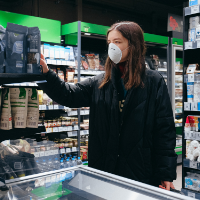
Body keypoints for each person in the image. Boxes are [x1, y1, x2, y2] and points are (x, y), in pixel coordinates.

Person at [39, 21, 177, 190]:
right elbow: (69, 95)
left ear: (133, 45)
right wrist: (47, 74)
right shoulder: (100, 82)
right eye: (110, 42)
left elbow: (164, 130)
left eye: (117, 42)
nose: (112, 47)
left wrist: (166, 173)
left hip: (141, 172)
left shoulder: (153, 82)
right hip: (104, 170)